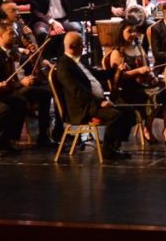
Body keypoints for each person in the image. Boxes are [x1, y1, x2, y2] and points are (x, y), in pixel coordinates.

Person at [56, 32, 136, 160]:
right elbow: (77, 92)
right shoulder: (64, 66)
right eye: (81, 45)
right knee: (115, 116)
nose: (83, 47)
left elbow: (96, 74)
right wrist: (100, 102)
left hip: (94, 102)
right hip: (83, 107)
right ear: (71, 47)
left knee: (130, 112)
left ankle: (114, 146)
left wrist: (116, 70)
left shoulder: (80, 60)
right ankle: (108, 151)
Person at [0, 23, 55, 147]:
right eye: (11, 34)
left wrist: (33, 56)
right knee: (26, 95)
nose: (14, 36)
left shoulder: (15, 52)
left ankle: (44, 135)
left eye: (14, 33)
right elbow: (2, 83)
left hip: (21, 87)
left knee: (46, 92)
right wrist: (21, 83)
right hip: (8, 92)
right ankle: (10, 139)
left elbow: (32, 70)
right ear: (1, 36)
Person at [107, 20, 161, 143]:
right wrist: (138, 71)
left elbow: (146, 66)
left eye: (135, 31)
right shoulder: (117, 52)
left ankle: (148, 126)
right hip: (126, 89)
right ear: (121, 33)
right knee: (154, 96)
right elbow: (119, 76)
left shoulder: (139, 48)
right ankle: (147, 129)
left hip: (141, 84)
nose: (133, 34)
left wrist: (152, 76)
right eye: (129, 31)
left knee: (165, 92)